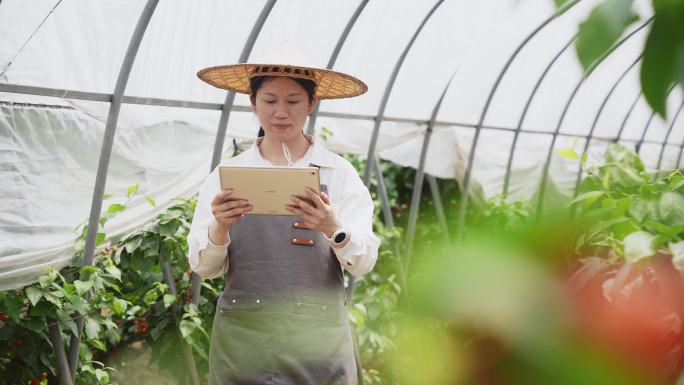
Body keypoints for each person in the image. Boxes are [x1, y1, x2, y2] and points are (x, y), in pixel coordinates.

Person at [187, 51, 381, 385]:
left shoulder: (338, 174)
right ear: (252, 102)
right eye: (270, 100)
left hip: (316, 339)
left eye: (292, 101)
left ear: (311, 103)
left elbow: (363, 263)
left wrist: (332, 227)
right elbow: (204, 267)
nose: (280, 112)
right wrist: (220, 226)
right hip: (244, 339)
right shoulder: (227, 175)